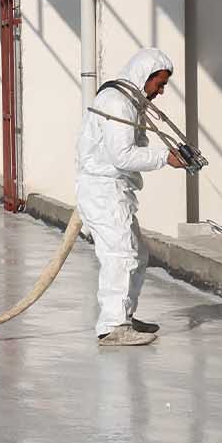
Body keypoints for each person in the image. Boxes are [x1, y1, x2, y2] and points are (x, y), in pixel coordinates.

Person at [76, 48, 188, 346]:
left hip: (114, 191)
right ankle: (112, 326)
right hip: (104, 191)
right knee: (120, 256)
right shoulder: (116, 103)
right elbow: (121, 156)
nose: (161, 91)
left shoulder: (127, 102)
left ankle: (123, 315)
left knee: (137, 255)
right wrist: (165, 157)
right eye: (159, 84)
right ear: (144, 76)